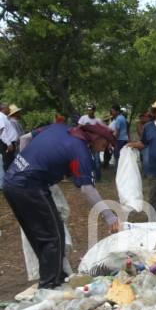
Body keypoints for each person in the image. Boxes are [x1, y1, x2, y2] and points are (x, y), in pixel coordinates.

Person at [3, 123, 120, 288]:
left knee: (54, 232)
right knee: (51, 239)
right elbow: (87, 189)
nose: (103, 150)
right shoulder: (80, 150)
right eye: (104, 144)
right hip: (28, 187)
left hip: (13, 181)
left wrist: (27, 163)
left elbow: (25, 138)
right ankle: (49, 286)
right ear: (96, 138)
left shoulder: (60, 128)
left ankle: (58, 278)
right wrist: (109, 216)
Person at [78, 105, 105, 179]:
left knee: (97, 160)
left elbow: (103, 131)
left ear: (94, 111)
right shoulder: (83, 118)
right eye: (88, 110)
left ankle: (98, 177)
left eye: (91, 110)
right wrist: (85, 127)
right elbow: (78, 128)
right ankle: (86, 176)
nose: (89, 111)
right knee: (85, 159)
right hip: (85, 142)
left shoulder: (98, 120)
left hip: (95, 143)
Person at [0, 102, 19, 173]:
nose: (9, 109)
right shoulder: (0, 117)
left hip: (9, 143)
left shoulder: (4, 117)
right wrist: (8, 143)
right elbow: (1, 131)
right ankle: (8, 182)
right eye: (8, 107)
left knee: (10, 162)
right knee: (8, 163)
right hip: (7, 144)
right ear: (3, 108)